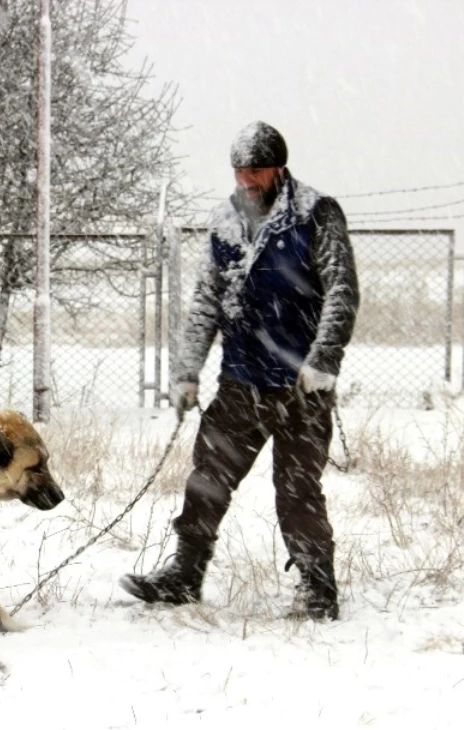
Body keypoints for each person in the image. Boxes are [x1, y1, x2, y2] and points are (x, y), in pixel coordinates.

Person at [120, 121, 359, 620]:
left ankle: (318, 590)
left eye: (257, 172)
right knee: (206, 480)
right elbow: (208, 299)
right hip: (241, 383)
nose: (247, 181)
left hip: (301, 389)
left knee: (297, 494)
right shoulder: (226, 222)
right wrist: (188, 371)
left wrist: (322, 362)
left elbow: (342, 291)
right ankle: (185, 575)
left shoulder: (316, 214)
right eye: (240, 171)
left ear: (279, 168)